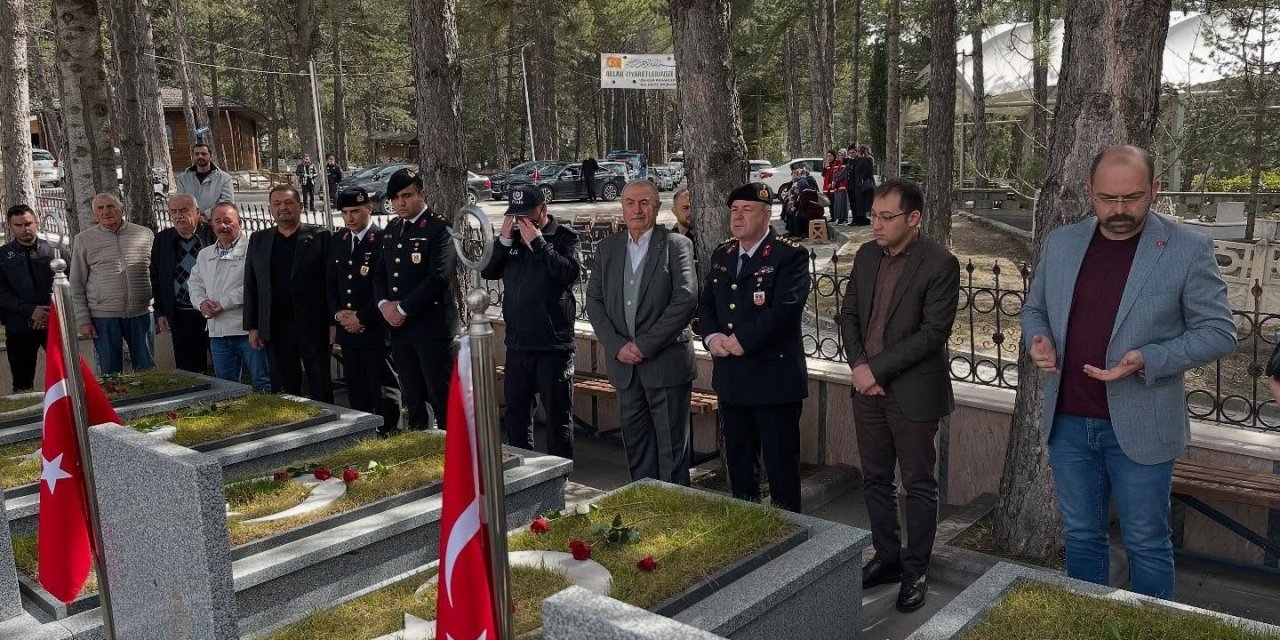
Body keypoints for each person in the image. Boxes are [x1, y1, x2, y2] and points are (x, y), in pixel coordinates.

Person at [1022, 145, 1236, 599]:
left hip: (1143, 424)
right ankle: (1090, 623)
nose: (1119, 210)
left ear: (1154, 189)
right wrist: (1038, 339)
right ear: (1090, 192)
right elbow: (1034, 309)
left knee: (1146, 542)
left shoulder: (1186, 247)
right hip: (1068, 422)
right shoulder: (1062, 243)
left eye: (1132, 197)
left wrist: (1148, 358)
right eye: (1107, 198)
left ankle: (1151, 626)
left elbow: (1219, 333)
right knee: (1081, 536)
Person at [836, 177, 960, 613]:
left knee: (919, 485)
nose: (876, 225)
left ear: (913, 218)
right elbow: (849, 313)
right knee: (874, 479)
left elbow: (932, 334)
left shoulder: (940, 263)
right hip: (866, 390)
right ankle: (887, 557)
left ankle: (915, 569)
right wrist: (859, 366)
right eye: (874, 215)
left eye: (887, 217)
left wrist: (876, 370)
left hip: (912, 393)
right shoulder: (866, 255)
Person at [697, 182, 810, 512]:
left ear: (767, 215)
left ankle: (789, 529)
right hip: (732, 379)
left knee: (780, 469)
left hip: (773, 381)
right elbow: (707, 304)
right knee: (740, 464)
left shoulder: (789, 255)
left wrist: (742, 340)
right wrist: (712, 337)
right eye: (734, 210)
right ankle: (746, 526)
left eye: (747, 210)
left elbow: (786, 309)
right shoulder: (723, 254)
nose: (738, 216)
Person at [586, 180, 698, 484]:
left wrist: (644, 345)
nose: (637, 210)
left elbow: (686, 298)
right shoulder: (608, 249)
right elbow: (593, 301)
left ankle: (673, 508)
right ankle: (644, 504)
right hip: (625, 369)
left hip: (666, 366)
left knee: (672, 453)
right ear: (622, 208)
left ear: (657, 207)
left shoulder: (676, 245)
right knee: (637, 449)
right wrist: (618, 346)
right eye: (630, 203)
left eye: (644, 202)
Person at [481, 185, 581, 457]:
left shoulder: (564, 237)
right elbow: (488, 271)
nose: (521, 221)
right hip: (518, 345)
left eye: (527, 214)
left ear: (543, 210)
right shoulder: (511, 239)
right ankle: (522, 471)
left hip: (553, 346)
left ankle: (560, 474)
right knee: (516, 415)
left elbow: (568, 273)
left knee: (558, 417)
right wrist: (503, 241)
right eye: (516, 215)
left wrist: (538, 243)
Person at [375, 168, 457, 430]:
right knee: (412, 395)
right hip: (401, 330)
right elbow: (380, 273)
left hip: (431, 327)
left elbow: (438, 277)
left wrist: (402, 309)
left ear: (422, 195)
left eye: (407, 195)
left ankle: (449, 446)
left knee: (440, 395)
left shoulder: (439, 228)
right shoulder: (392, 228)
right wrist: (383, 305)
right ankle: (419, 443)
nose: (401, 202)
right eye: (396, 197)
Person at [243, 185, 334, 401]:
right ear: (270, 209)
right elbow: (251, 284)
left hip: (313, 325)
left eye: (288, 202)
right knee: (283, 387)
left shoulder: (320, 236)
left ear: (300, 206)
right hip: (276, 326)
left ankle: (327, 420)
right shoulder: (259, 239)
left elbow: (331, 282)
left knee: (320, 383)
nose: (282, 207)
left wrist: (333, 322)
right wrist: (253, 326)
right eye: (277, 204)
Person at [328, 187, 402, 436]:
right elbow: (331, 284)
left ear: (369, 209)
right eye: (345, 212)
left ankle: (389, 431)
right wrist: (338, 316)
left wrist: (361, 317)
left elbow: (386, 287)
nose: (350, 218)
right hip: (348, 329)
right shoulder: (338, 241)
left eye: (356, 211)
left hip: (374, 327)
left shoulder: (382, 239)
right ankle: (363, 431)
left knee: (383, 385)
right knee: (357, 384)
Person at [187, 203, 270, 392]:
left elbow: (256, 286)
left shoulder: (254, 250)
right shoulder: (205, 254)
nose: (222, 226)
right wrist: (201, 303)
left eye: (228, 221)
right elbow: (194, 283)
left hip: (247, 330)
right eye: (217, 221)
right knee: (226, 386)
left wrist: (224, 303)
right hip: (218, 333)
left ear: (240, 222)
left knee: (263, 381)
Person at [70, 193, 156, 375]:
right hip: (103, 316)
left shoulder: (144, 234)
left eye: (110, 206)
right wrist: (83, 320)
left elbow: (156, 273)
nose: (106, 211)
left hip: (141, 313)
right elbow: (76, 284)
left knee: (146, 370)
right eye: (100, 208)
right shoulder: (84, 239)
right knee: (110, 372)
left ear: (121, 209)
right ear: (94, 215)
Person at [151, 194, 215, 373]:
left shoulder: (211, 234)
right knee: (188, 369)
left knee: (220, 364)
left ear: (197, 212)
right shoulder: (163, 239)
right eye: (173, 211)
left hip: (212, 310)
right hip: (181, 314)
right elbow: (156, 276)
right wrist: (160, 311)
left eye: (184, 210)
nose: (178, 215)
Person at [0, 205, 55, 391]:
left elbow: (69, 282)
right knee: (22, 382)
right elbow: (2, 293)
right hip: (19, 326)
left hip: (53, 323)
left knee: (64, 374)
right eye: (18, 225)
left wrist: (47, 312)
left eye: (28, 223)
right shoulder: (2, 256)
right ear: (10, 226)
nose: (25, 228)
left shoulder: (53, 250)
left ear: (36, 222)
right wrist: (31, 311)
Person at [175, 143, 235, 215]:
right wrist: (193, 215)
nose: (200, 156)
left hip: (215, 219)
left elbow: (227, 202)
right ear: (193, 156)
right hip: (191, 219)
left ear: (210, 156)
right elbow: (180, 201)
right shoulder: (183, 178)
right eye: (197, 154)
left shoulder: (224, 178)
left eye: (203, 154)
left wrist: (206, 215)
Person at [851, 145, 875, 225]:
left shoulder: (868, 159)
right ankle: (860, 219)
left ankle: (865, 220)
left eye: (858, 151)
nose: (857, 152)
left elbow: (868, 172)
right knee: (859, 203)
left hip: (864, 185)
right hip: (858, 185)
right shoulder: (858, 160)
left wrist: (862, 180)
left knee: (865, 203)